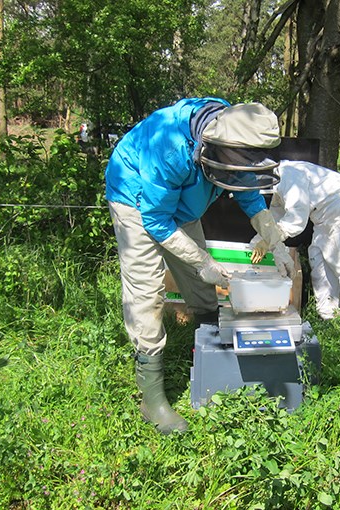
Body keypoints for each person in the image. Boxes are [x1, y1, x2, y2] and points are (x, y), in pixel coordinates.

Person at [105, 98, 295, 434]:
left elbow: (246, 188)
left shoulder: (235, 133)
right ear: (214, 150)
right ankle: (152, 399)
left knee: (202, 286)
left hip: (181, 202)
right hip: (137, 197)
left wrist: (276, 241)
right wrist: (202, 259)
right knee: (147, 293)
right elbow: (157, 221)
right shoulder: (172, 147)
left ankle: (207, 358)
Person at [251, 160, 340, 329]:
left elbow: (296, 220)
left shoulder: (290, 178)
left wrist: (268, 240)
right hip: (321, 217)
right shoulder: (279, 181)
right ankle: (329, 320)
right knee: (319, 259)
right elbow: (276, 216)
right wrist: (258, 241)